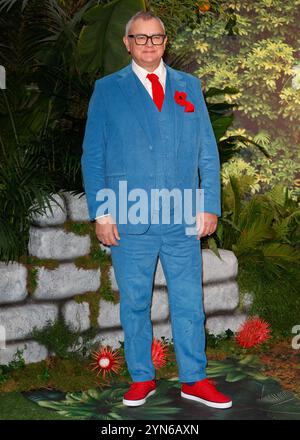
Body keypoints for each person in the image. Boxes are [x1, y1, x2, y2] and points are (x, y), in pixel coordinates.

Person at [81, 10, 232, 410]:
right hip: (129, 217)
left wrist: (209, 205)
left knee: (189, 302)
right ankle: (142, 378)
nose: (149, 44)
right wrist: (102, 212)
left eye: (156, 37)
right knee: (133, 302)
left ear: (166, 42)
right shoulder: (107, 89)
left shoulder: (189, 86)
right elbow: (93, 156)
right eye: (141, 38)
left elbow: (207, 154)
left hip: (184, 217)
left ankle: (194, 380)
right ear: (127, 43)